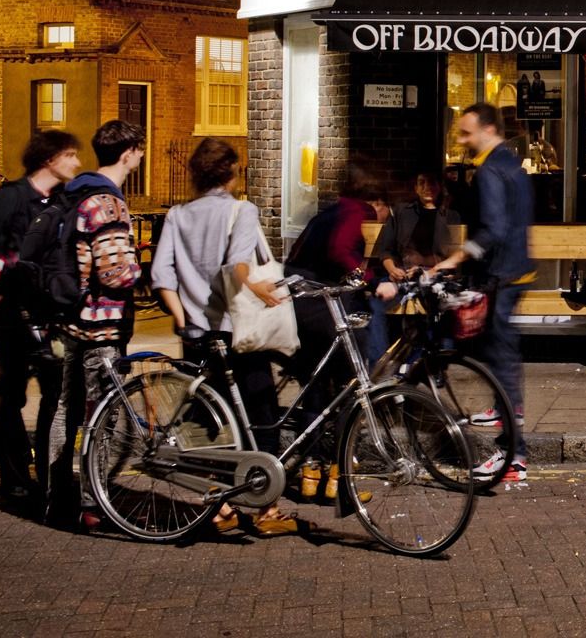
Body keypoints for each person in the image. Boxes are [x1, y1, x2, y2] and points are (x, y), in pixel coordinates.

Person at [151, 138, 296, 536]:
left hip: (197, 334)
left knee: (210, 421)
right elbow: (238, 264)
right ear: (231, 171)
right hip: (237, 332)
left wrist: (184, 319)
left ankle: (219, 505)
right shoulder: (241, 210)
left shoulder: (177, 215)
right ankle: (266, 508)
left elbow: (162, 276)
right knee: (260, 413)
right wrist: (264, 291)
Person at [0, 130, 80, 508]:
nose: (76, 163)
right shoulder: (12, 197)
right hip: (11, 314)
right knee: (12, 396)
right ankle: (13, 479)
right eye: (70, 155)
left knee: (53, 396)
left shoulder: (62, 200)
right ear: (50, 159)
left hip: (48, 314)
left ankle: (48, 476)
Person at [44, 120, 145, 529]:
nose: (140, 156)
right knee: (101, 416)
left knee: (66, 409)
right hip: (101, 324)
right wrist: (141, 267)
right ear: (129, 153)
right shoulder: (107, 204)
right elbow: (116, 272)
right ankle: (94, 503)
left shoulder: (74, 193)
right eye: (140, 150)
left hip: (71, 320)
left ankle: (55, 496)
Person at [432, 102, 536, 482]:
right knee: (498, 356)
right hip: (517, 271)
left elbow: (492, 229)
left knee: (502, 361)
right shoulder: (513, 164)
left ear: (489, 130)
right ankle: (500, 407)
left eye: (466, 132)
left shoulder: (490, 170)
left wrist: (454, 259)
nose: (461, 139)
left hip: (500, 276)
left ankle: (513, 455)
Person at [285, 175, 398, 370]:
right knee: (356, 339)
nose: (382, 224)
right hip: (313, 288)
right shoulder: (361, 211)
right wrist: (373, 282)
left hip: (302, 282)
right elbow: (340, 249)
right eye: (388, 214)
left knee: (323, 354)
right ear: (380, 204)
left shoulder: (340, 208)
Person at [376, 173, 458, 280]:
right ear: (416, 188)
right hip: (403, 272)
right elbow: (385, 249)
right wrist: (393, 270)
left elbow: (453, 255)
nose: (427, 187)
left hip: (435, 274)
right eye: (422, 183)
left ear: (439, 187)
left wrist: (425, 270)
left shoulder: (451, 216)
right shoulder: (400, 212)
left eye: (432, 182)